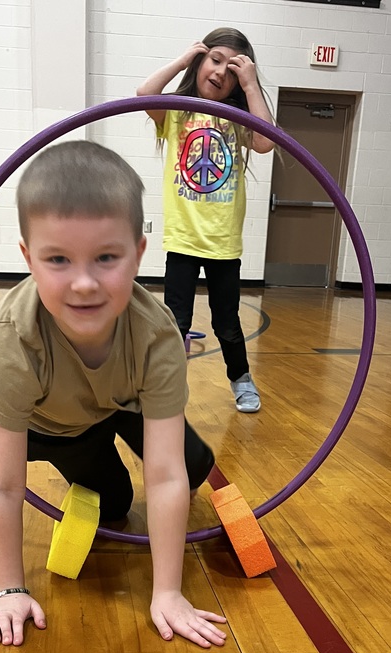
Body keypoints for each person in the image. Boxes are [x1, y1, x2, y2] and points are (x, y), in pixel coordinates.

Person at [0, 140, 227, 650]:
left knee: (193, 464)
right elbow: (1, 484)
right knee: (116, 503)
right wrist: (8, 590)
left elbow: (168, 472)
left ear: (138, 254)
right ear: (28, 258)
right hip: (55, 426)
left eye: (106, 257)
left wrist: (168, 592)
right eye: (58, 259)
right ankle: (92, 483)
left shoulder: (156, 335)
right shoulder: (17, 338)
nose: (84, 283)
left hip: (121, 400)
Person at [137, 27, 274, 413]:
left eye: (233, 70)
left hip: (222, 242)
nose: (220, 74)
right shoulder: (178, 112)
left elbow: (265, 142)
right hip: (183, 238)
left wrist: (251, 87)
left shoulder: (235, 119)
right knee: (174, 324)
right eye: (215, 61)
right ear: (201, 60)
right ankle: (166, 389)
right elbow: (144, 94)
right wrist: (182, 60)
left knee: (226, 323)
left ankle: (241, 379)